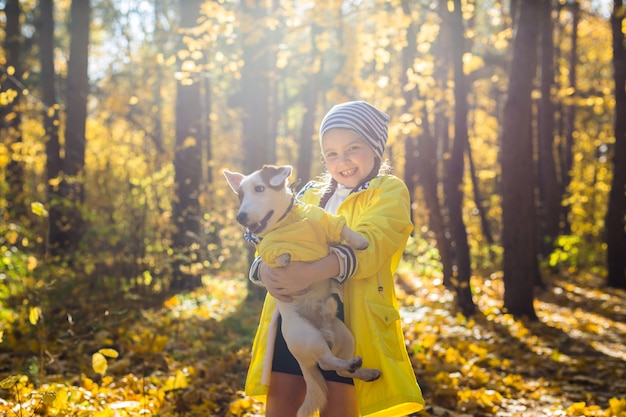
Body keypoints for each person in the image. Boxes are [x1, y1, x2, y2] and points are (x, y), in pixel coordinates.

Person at [244, 101, 425, 417]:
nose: (343, 161)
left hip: (349, 317)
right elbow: (271, 233)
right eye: (331, 153)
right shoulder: (311, 194)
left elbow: (371, 244)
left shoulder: (388, 191)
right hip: (294, 316)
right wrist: (264, 270)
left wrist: (310, 271)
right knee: (283, 402)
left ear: (375, 146)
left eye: (353, 148)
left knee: (339, 406)